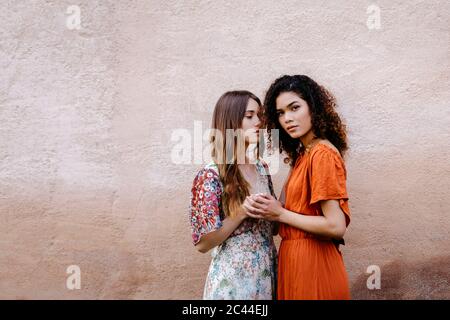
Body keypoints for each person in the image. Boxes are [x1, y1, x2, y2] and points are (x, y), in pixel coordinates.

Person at [244, 75, 351, 299]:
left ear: (314, 107)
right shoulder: (305, 154)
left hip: (314, 266)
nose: (288, 119)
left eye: (294, 108)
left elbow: (335, 226)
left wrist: (280, 213)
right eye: (281, 113)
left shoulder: (321, 154)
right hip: (294, 262)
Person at [189, 90, 278, 299]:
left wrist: (276, 208)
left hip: (267, 276)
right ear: (231, 122)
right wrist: (241, 212)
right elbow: (202, 244)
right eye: (250, 116)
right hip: (234, 283)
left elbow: (273, 229)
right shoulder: (211, 175)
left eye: (259, 115)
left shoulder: (262, 167)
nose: (259, 122)